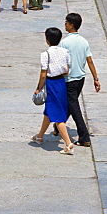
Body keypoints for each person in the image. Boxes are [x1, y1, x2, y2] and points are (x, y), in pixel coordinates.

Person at [31, 26, 75, 154]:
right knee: (49, 112)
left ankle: (68, 143)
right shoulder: (65, 52)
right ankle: (40, 136)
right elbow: (67, 70)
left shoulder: (45, 54)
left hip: (51, 84)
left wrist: (38, 88)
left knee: (57, 116)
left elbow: (43, 74)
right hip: (61, 83)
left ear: (47, 40)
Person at [61, 13, 100, 146]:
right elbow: (90, 61)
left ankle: (84, 137)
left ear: (71, 25)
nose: (65, 24)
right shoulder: (84, 41)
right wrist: (96, 78)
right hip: (80, 79)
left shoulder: (64, 43)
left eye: (66, 22)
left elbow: (62, 63)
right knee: (70, 104)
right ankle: (58, 126)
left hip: (69, 80)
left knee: (74, 107)